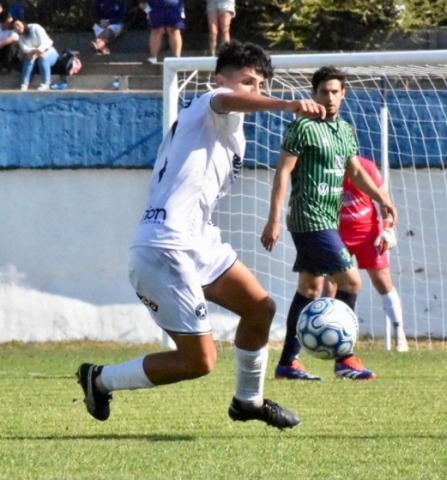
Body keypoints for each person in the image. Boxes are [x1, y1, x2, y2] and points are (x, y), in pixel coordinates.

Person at [76, 41, 326, 430]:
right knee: (200, 362)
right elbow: (227, 99)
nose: (253, 90)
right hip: (165, 246)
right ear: (219, 79)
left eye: (260, 84)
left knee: (261, 307)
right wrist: (287, 105)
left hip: (199, 240)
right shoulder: (209, 103)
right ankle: (100, 379)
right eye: (246, 81)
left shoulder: (229, 129)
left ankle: (248, 400)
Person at [260, 66, 398, 381]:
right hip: (309, 219)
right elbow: (283, 172)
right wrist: (273, 220)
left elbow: (356, 171)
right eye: (325, 92)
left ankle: (287, 364)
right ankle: (344, 358)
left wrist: (382, 197)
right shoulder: (303, 127)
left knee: (310, 289)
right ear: (314, 94)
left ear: (344, 94)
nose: (331, 97)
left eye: (336, 91)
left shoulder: (345, 130)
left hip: (328, 219)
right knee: (351, 282)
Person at [323, 155, 409, 353]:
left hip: (367, 233)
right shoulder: (326, 166)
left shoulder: (367, 167)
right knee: (330, 285)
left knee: (383, 282)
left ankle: (399, 333)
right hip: (337, 233)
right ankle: (330, 336)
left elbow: (384, 201)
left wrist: (387, 229)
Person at [13, 20, 58, 91]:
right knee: (28, 58)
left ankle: (46, 83)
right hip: (34, 54)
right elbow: (25, 49)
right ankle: (24, 84)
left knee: (43, 57)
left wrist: (37, 53)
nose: (17, 28)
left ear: (23, 23)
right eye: (15, 27)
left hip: (49, 51)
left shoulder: (35, 27)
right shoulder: (19, 36)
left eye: (18, 25)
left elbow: (45, 43)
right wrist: (34, 54)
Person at [139, 0, 184, 64]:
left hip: (174, 6)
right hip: (155, 7)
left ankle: (177, 57)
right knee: (156, 30)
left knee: (174, 30)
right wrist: (149, 11)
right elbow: (142, 5)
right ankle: (153, 57)